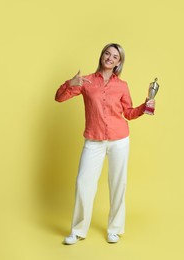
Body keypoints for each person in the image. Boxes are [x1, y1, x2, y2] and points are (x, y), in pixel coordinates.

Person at [55, 43, 155, 245]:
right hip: (94, 139)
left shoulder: (122, 85)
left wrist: (146, 105)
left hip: (119, 140)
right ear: (101, 56)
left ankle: (115, 230)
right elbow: (59, 98)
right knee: (84, 183)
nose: (109, 58)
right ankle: (77, 231)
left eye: (115, 56)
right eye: (107, 54)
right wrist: (71, 83)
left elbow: (127, 113)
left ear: (119, 62)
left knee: (118, 183)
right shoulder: (86, 81)